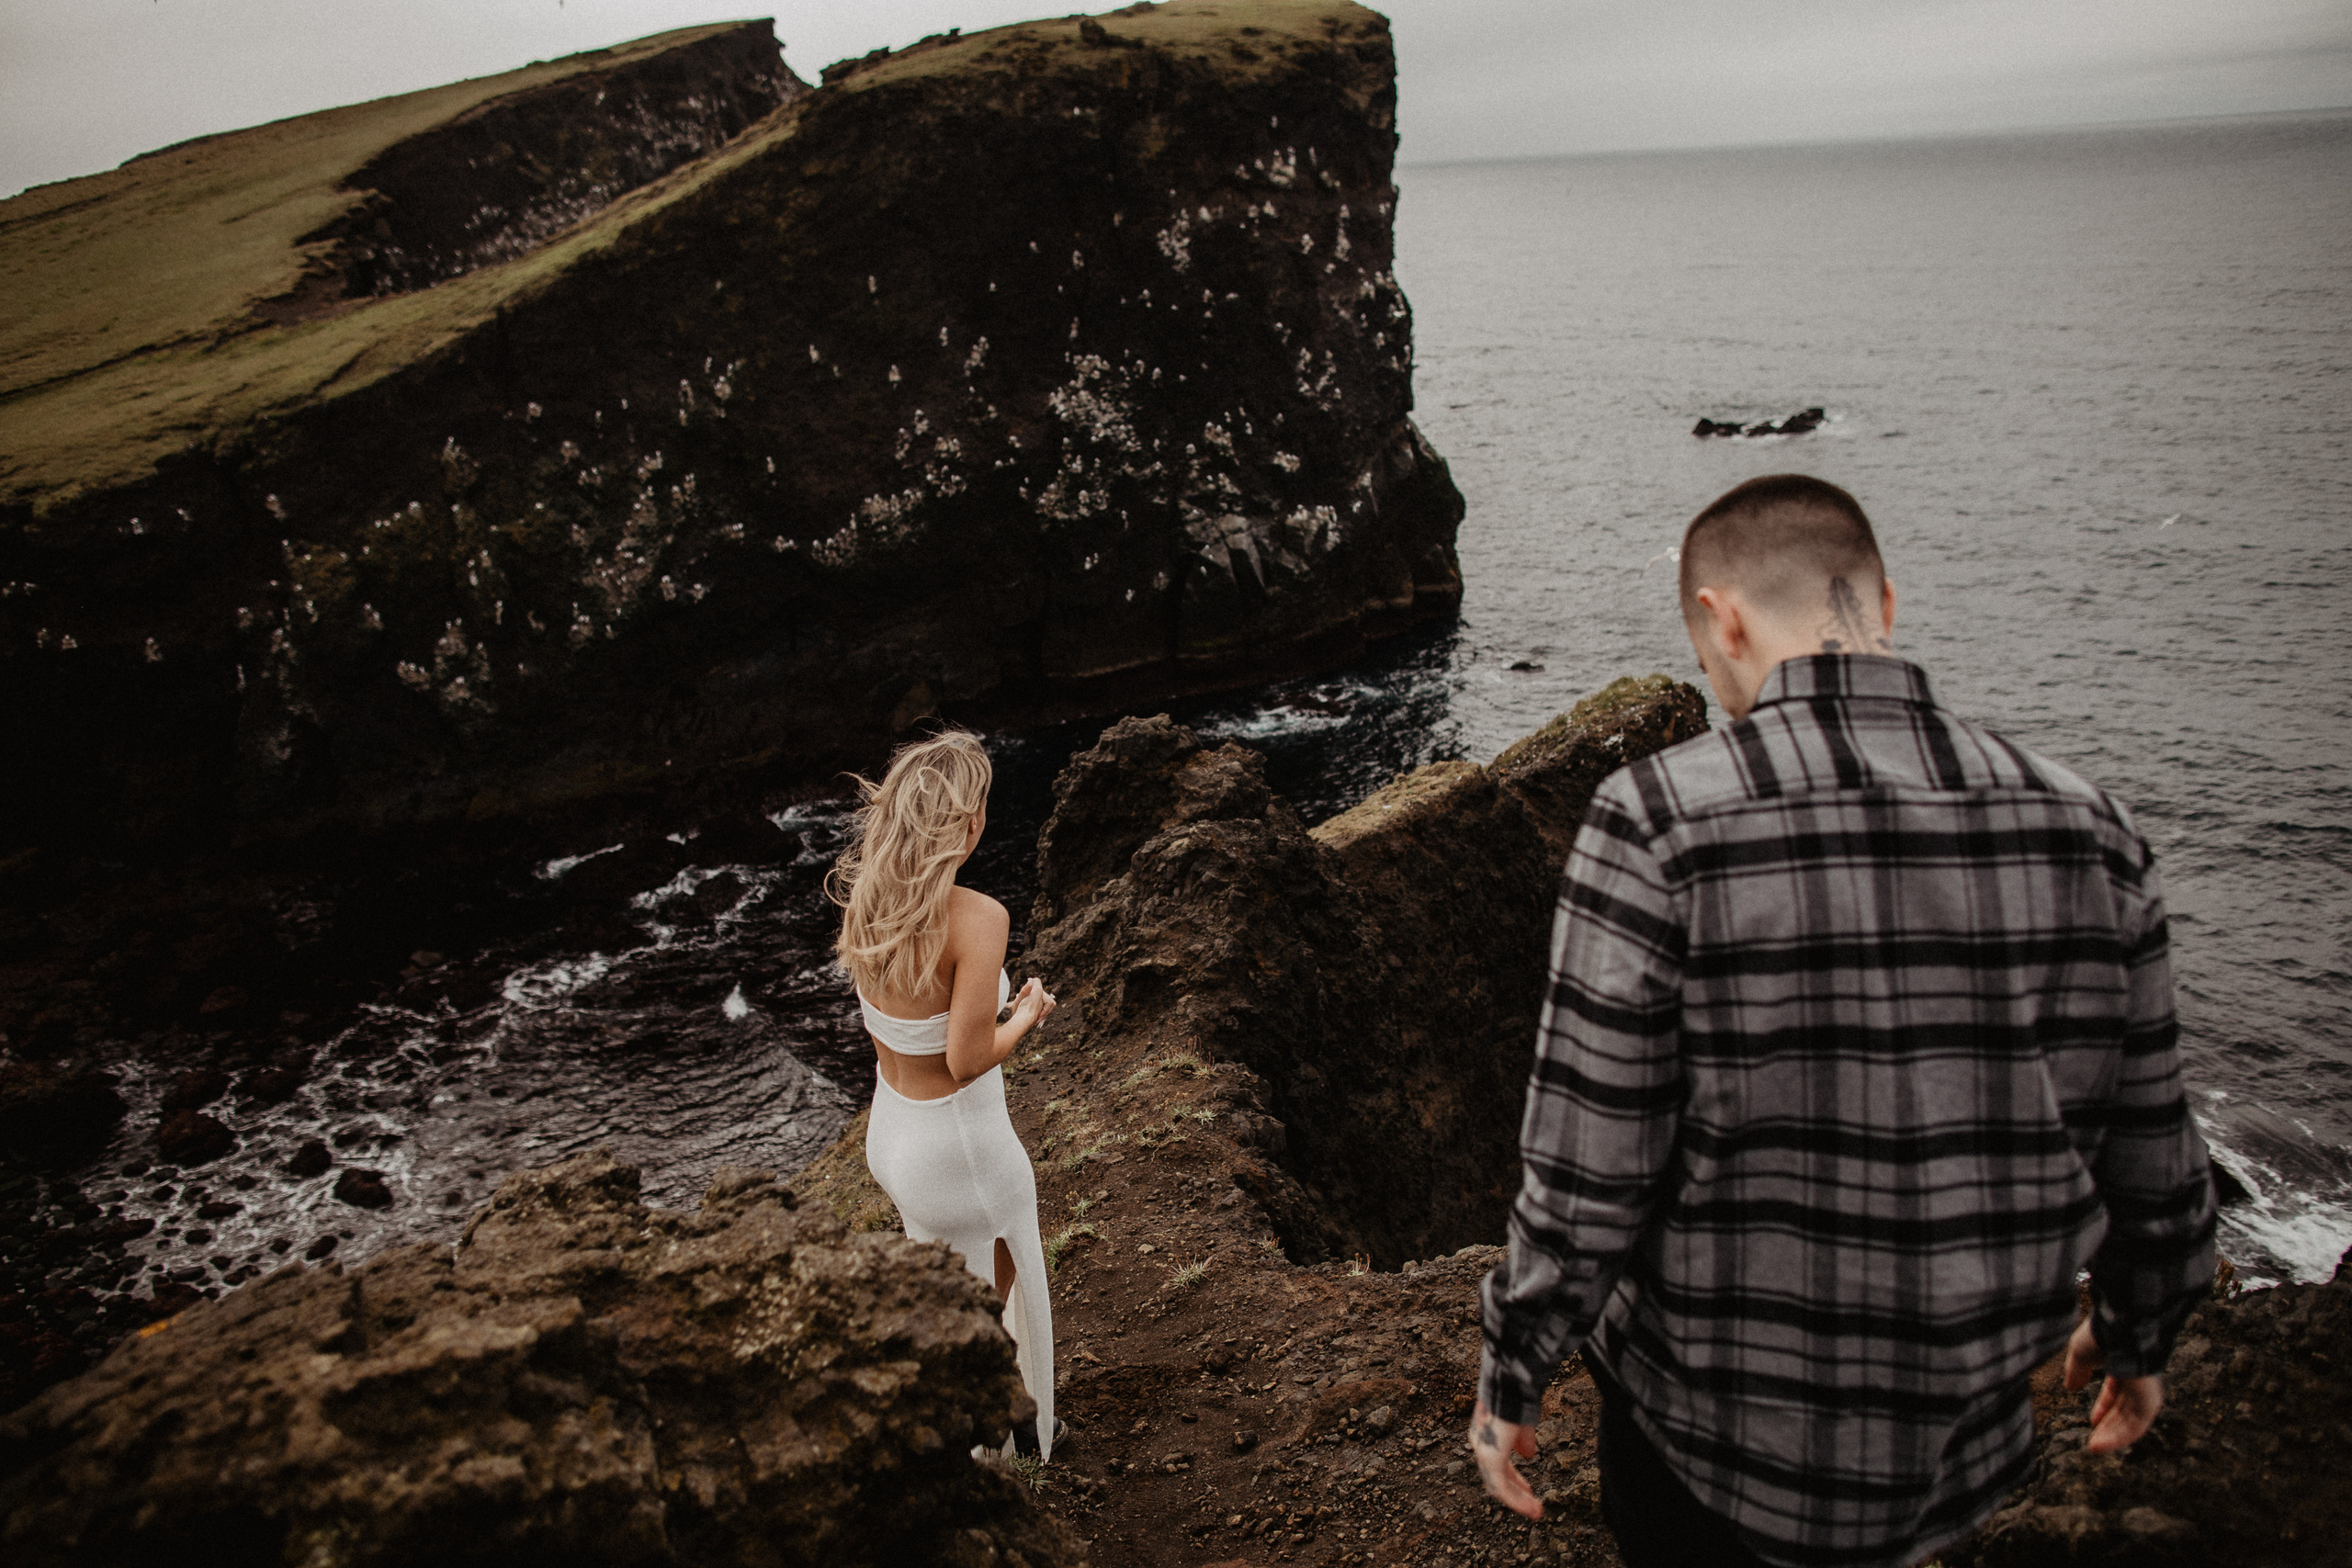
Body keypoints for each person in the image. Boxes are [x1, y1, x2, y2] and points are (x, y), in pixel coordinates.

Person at [1468, 474, 2217, 1567]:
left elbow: (1589, 1168)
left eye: (1703, 651)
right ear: (1885, 605)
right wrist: (2142, 1330)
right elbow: (2151, 1145)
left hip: (1714, 1452)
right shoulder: (2088, 826)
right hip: (1966, 1447)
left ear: (1720, 618)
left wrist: (1514, 1369)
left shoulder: (1656, 823)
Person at [828, 728, 1062, 1460]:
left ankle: (980, 1428)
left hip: (895, 1135)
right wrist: (1025, 1012)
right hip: (962, 1150)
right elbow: (965, 1059)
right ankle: (1005, 1437)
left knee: (948, 1296)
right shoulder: (978, 916)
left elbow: (904, 1030)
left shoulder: (868, 896)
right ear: (968, 822)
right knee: (986, 1308)